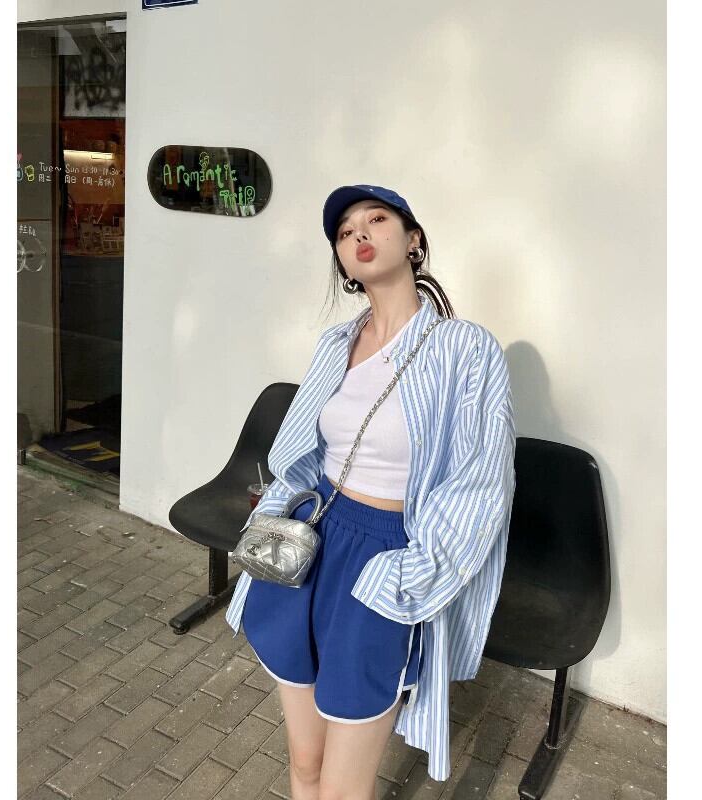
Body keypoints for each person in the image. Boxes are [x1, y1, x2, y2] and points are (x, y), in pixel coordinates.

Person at [226, 184, 516, 798]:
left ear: (413, 240)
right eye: (344, 230)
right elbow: (301, 452)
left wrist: (412, 573)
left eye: (377, 218)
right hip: (308, 546)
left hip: (383, 557)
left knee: (343, 786)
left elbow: (482, 483)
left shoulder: (466, 349)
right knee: (305, 762)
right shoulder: (336, 343)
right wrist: (273, 514)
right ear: (342, 259)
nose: (358, 232)